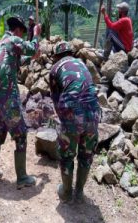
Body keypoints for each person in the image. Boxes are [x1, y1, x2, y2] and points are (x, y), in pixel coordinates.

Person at [0, 15, 41, 189]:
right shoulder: (14, 40)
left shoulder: (2, 43)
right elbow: (33, 48)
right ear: (18, 30)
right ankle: (22, 177)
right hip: (8, 98)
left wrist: (30, 57)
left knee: (0, 131)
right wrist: (36, 34)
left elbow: (15, 60)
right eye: (22, 32)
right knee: (20, 134)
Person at [49, 41, 100, 203]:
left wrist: (64, 123)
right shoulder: (81, 63)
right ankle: (79, 193)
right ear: (71, 53)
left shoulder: (55, 68)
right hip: (93, 111)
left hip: (71, 112)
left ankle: (66, 193)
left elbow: (56, 100)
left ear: (56, 56)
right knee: (86, 155)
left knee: (67, 155)